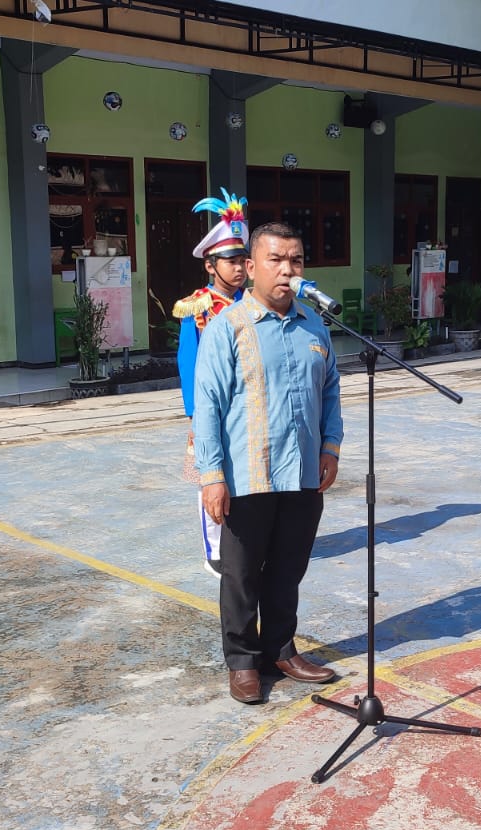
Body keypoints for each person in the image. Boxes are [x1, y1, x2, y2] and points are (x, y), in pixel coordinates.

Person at [193, 222, 344, 705]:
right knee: (241, 575)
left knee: (288, 568)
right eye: (276, 260)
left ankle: (280, 649)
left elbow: (331, 389)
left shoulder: (314, 325)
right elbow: (209, 405)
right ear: (252, 268)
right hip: (246, 476)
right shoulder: (227, 329)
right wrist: (212, 477)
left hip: (301, 471)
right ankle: (242, 662)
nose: (287, 270)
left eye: (296, 261)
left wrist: (331, 447)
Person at [173, 188, 249, 578]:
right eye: (230, 261)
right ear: (210, 265)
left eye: (243, 260)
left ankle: (243, 542)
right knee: (211, 478)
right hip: (211, 406)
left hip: (247, 406)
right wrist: (196, 412)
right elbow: (188, 362)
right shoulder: (198, 306)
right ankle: (214, 550)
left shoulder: (251, 303)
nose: (239, 268)